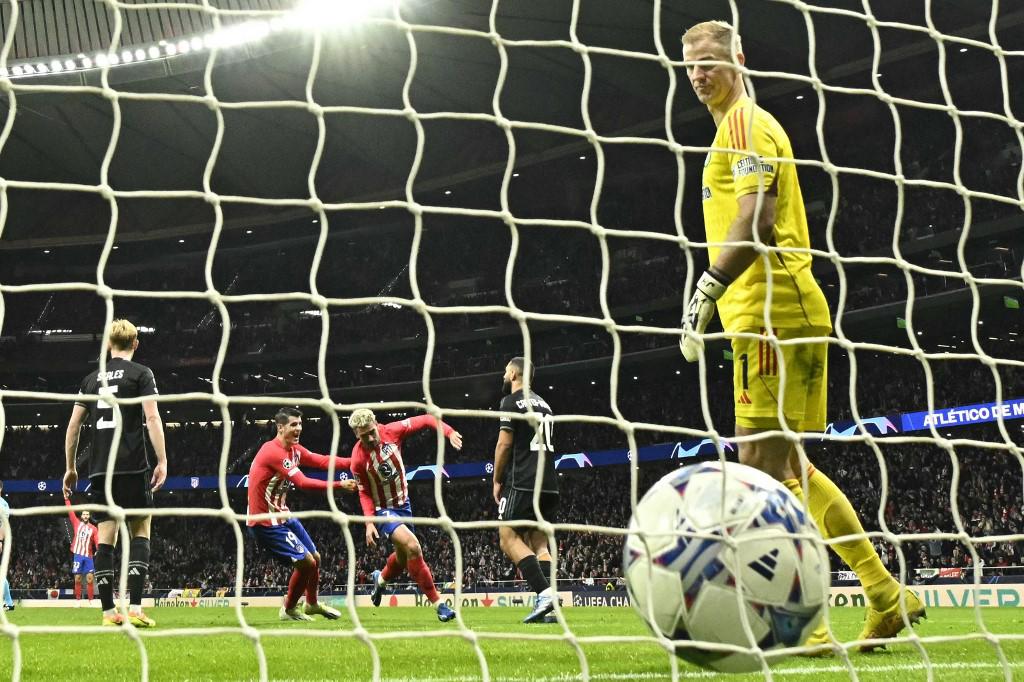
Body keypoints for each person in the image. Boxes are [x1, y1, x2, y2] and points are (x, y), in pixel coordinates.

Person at [679, 20, 924, 653]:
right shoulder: (736, 129)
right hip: (779, 309)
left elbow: (757, 217)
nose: (699, 73)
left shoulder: (744, 124)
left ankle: (804, 625)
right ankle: (884, 593)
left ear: (738, 58)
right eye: (690, 65)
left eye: (710, 61)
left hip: (770, 313)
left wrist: (707, 288)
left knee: (757, 474)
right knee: (791, 470)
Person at [63, 319, 168, 627]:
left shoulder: (91, 380)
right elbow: (152, 418)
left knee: (106, 537)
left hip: (100, 470)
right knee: (141, 529)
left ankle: (109, 612)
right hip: (133, 465)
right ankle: (135, 608)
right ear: (136, 344)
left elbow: (73, 426)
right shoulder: (141, 374)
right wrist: (162, 460)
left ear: (109, 345)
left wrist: (71, 468)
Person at [247, 406, 359, 621]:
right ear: (280, 428)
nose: (298, 428)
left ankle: (311, 604)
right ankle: (288, 609)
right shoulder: (273, 451)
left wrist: (354, 461)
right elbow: (303, 482)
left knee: (315, 558)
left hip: (282, 514)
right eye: (293, 424)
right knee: (306, 562)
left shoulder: (294, 449)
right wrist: (339, 485)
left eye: (300, 424)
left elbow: (322, 461)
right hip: (265, 521)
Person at [349, 408, 461, 623]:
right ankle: (439, 604)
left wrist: (449, 432)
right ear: (356, 434)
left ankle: (380, 580)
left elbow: (427, 419)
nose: (370, 438)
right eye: (364, 436)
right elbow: (364, 492)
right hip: (383, 510)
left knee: (402, 559)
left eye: (372, 432)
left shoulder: (393, 431)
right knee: (413, 547)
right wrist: (369, 522)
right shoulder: (358, 459)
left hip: (404, 505)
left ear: (376, 424)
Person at [492, 357, 559, 624]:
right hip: (549, 484)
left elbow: (504, 445)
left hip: (523, 481)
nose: (503, 374)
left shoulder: (510, 402)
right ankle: (548, 608)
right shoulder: (545, 404)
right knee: (539, 543)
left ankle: (544, 594)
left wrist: (497, 479)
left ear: (513, 374)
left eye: (505, 370)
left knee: (507, 537)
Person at [65, 494, 99, 605]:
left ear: (89, 516)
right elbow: (70, 511)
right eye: (84, 514)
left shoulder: (93, 528)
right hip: (78, 555)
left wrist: (98, 549)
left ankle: (91, 600)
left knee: (90, 579)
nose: (85, 516)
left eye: (87, 514)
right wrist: (66, 499)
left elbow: (96, 540)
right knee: (77, 579)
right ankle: (78, 600)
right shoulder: (76, 523)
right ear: (81, 516)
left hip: (88, 556)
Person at [0, 482, 14, 611]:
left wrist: (0, 540)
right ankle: (9, 602)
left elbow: (4, 524)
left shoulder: (3, 504)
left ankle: (9, 602)